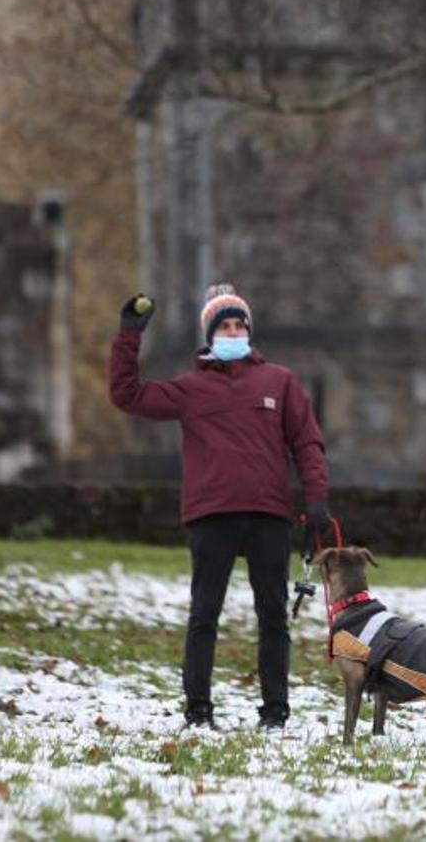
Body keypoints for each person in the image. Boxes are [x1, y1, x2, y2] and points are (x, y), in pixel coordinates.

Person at [109, 283, 332, 730]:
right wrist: (129, 336)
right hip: (212, 515)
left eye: (238, 325)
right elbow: (127, 394)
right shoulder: (191, 388)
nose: (232, 331)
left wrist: (316, 501)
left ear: (248, 331)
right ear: (210, 336)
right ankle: (198, 711)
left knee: (273, 617)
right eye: (224, 326)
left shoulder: (279, 381)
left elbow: (307, 443)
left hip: (268, 513)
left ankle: (275, 713)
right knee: (204, 616)